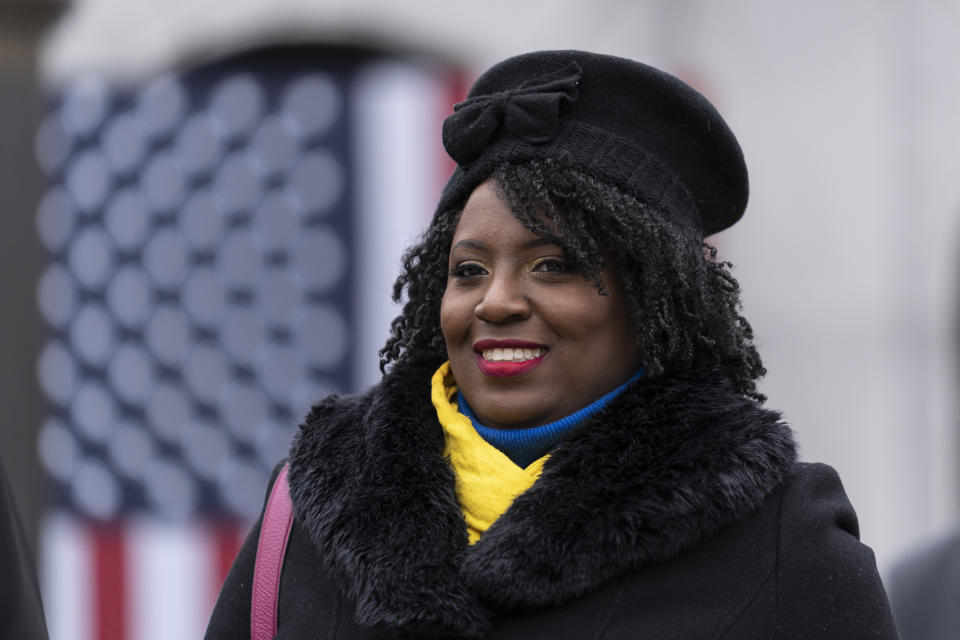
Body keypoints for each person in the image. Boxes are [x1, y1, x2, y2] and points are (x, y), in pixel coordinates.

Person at [206, 50, 899, 639]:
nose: (496, 300)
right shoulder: (306, 504)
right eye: (467, 270)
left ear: (655, 302)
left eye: (555, 265)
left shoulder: (781, 540)